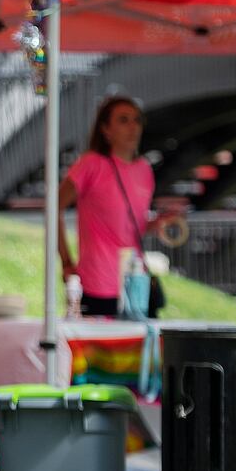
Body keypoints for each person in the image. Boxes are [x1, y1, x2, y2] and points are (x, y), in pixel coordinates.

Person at [58, 96, 169, 317]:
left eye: (136, 120)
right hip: (97, 281)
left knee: (138, 349)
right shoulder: (91, 164)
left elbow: (131, 226)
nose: (132, 127)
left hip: (135, 281)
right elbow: (54, 208)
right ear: (106, 130)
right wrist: (66, 262)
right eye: (123, 120)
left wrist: (157, 224)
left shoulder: (144, 170)